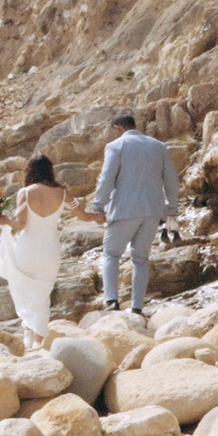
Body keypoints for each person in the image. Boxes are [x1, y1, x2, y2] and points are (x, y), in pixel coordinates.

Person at [0, 155, 100, 349]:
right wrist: (99, 216)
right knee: (43, 295)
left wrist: (5, 221)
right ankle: (38, 341)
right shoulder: (62, 193)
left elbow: (20, 225)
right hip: (50, 250)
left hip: (27, 248)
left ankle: (28, 333)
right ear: (50, 171)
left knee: (23, 291)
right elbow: (84, 216)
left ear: (30, 171)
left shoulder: (25, 193)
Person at [85, 114, 182, 315]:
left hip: (124, 209)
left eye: (114, 131)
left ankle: (112, 302)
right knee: (141, 259)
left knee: (111, 254)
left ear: (119, 128)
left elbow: (107, 178)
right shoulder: (158, 146)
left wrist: (98, 205)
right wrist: (172, 208)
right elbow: (171, 179)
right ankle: (137, 307)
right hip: (153, 211)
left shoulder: (115, 146)